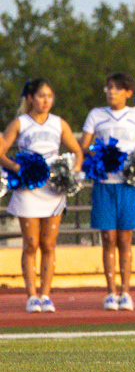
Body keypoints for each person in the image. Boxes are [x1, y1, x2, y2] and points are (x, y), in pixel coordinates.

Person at [81, 73, 135, 311]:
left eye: (117, 89)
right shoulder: (96, 115)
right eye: (108, 88)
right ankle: (110, 292)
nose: (111, 92)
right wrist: (98, 156)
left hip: (128, 184)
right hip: (105, 184)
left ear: (128, 93)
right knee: (108, 238)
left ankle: (126, 291)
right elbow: (84, 146)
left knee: (126, 239)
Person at [2, 79, 81, 313]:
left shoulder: (58, 123)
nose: (45, 101)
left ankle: (46, 295)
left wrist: (71, 174)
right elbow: (1, 151)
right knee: (31, 244)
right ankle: (31, 296)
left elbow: (76, 151)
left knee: (48, 244)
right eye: (40, 96)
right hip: (28, 189)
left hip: (53, 190)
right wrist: (17, 168)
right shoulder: (20, 123)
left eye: (49, 96)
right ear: (30, 98)